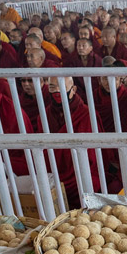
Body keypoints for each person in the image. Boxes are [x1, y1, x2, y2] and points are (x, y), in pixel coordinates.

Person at [42, 76, 101, 209]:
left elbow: (93, 155)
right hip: (54, 171)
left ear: (73, 89)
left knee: (90, 182)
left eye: (62, 87)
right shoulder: (45, 115)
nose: (57, 91)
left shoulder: (86, 114)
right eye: (52, 87)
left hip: (79, 171)